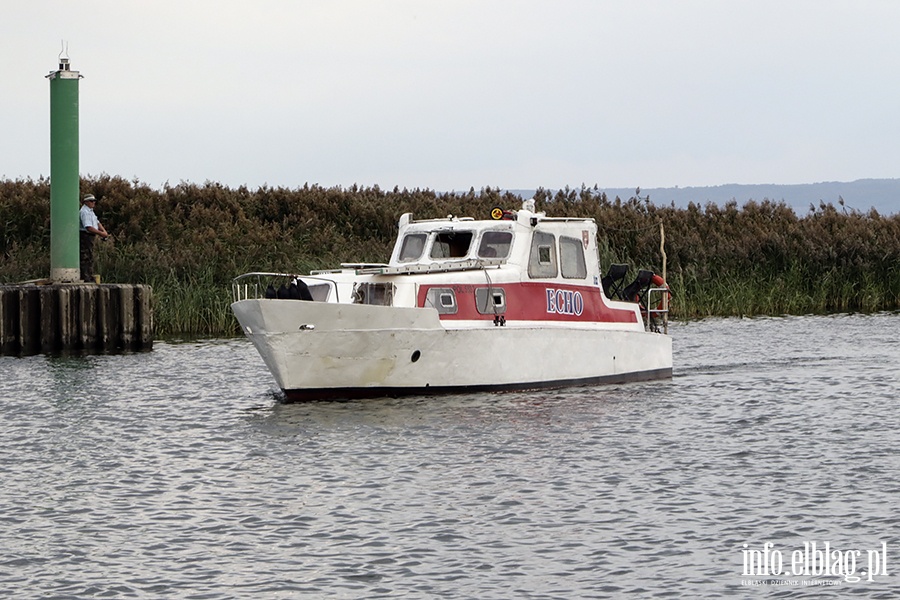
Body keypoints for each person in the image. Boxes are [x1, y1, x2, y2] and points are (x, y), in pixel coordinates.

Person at [79, 194, 109, 282]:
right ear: (86, 202)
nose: (94, 203)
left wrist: (104, 232)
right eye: (91, 201)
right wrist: (101, 234)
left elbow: (97, 222)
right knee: (85, 257)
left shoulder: (90, 211)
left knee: (90, 256)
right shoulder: (84, 212)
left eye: (94, 201)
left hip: (90, 236)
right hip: (85, 236)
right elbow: (88, 227)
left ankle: (89, 275)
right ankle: (85, 277)